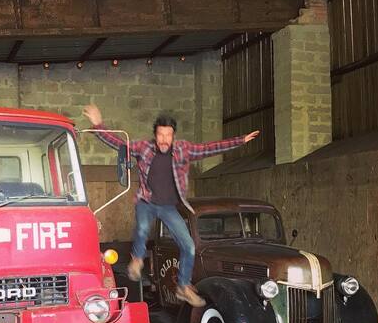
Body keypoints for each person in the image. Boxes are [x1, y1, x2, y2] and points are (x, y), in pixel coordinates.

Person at [83, 104, 260, 307]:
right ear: (155, 135)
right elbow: (119, 144)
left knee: (189, 246)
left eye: (168, 135)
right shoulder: (144, 148)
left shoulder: (184, 150)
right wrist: (98, 125)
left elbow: (210, 148)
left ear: (173, 136)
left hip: (168, 207)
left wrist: (240, 141)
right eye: (160, 135)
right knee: (142, 228)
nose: (164, 139)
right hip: (147, 201)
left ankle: (183, 286)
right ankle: (137, 260)